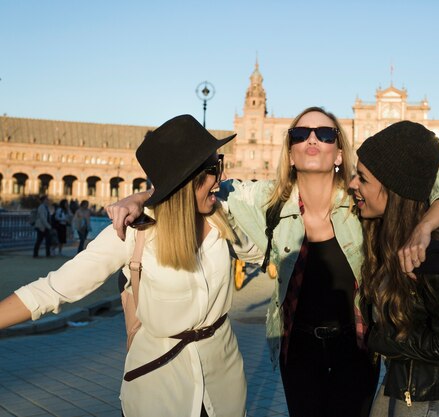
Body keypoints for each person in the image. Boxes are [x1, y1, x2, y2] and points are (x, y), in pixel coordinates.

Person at [107, 107, 439, 417]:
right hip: (296, 348)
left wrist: (425, 226)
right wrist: (143, 196)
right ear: (290, 150)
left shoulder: (361, 198)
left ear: (340, 152)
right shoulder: (265, 200)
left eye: (325, 134)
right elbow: (192, 183)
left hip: (360, 346)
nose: (312, 139)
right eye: (301, 133)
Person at [0, 114, 261, 417]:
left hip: (223, 384)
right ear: (188, 178)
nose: (222, 176)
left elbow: (272, 233)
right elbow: (54, 289)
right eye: (216, 168)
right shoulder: (134, 231)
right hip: (158, 385)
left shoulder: (224, 216)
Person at [350, 121, 439, 417]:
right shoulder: (386, 235)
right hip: (405, 383)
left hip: (434, 396)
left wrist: (379, 338)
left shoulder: (428, 258)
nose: (352, 185)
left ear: (393, 189)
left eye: (362, 178)